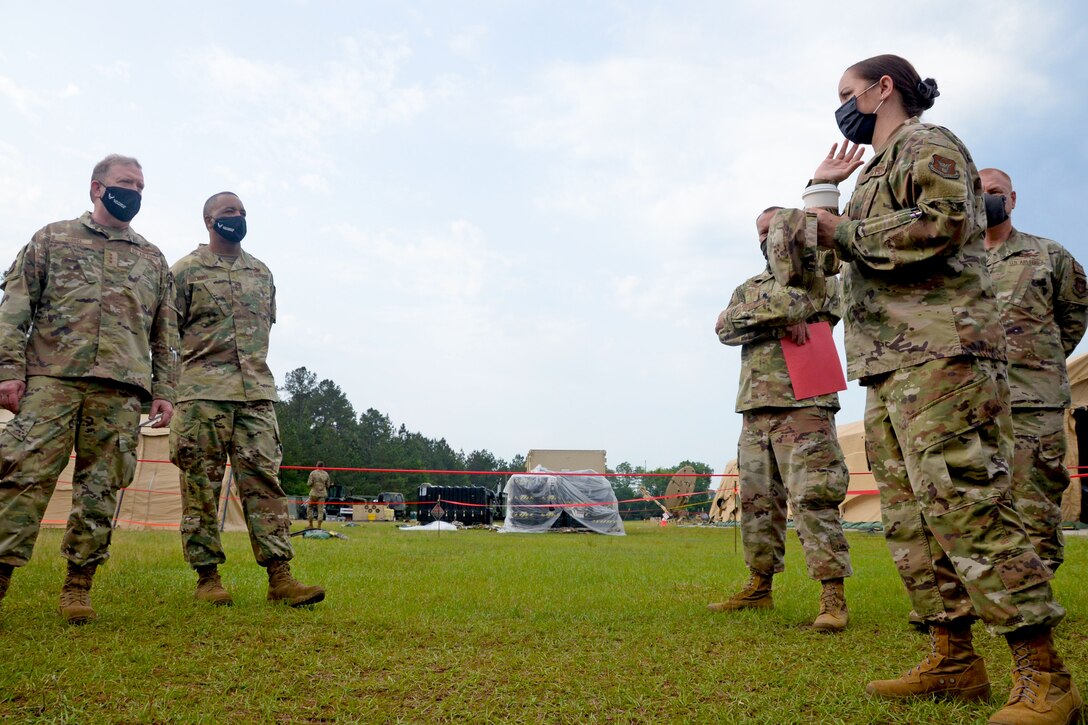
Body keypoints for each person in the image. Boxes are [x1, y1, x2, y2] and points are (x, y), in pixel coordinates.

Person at [801, 54, 1079, 723]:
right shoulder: (875, 170)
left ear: (882, 88)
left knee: (969, 507)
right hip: (890, 364)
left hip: (944, 356)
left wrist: (848, 230)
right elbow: (836, 259)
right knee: (912, 521)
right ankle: (953, 658)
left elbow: (945, 222)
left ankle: (1046, 678)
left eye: (847, 93)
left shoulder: (929, 144)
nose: (840, 106)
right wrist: (822, 193)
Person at [0, 154, 176, 624]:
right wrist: (7, 370)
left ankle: (79, 585)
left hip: (121, 391)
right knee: (22, 478)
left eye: (140, 185)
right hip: (52, 380)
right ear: (97, 188)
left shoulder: (153, 259)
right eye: (125, 182)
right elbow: (15, 308)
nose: (134, 192)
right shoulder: (51, 239)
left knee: (101, 489)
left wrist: (165, 390)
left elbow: (164, 334)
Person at [170, 192, 324, 608]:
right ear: (207, 220)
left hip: (255, 394)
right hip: (201, 395)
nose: (235, 219)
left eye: (241, 213)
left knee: (264, 485)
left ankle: (280, 578)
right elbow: (166, 338)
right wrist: (166, 394)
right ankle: (208, 578)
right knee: (201, 488)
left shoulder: (262, 273)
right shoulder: (184, 272)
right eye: (227, 213)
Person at [710, 207, 852, 632]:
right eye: (760, 232)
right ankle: (759, 586)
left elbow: (813, 302)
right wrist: (781, 317)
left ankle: (832, 595)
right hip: (755, 408)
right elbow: (723, 327)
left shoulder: (820, 277)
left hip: (806, 402)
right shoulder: (747, 286)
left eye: (772, 230)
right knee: (757, 503)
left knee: (813, 498)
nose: (766, 239)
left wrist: (772, 313)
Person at [981, 167, 1088, 574]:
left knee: (1035, 494)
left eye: (996, 191)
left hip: (1034, 398)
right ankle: (997, 582)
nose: (988, 198)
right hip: (974, 400)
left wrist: (1042, 359)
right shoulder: (958, 260)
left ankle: (1038, 584)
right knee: (984, 496)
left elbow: (1074, 315)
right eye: (979, 192)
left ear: (1013, 198)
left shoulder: (1049, 254)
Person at [307, 461, 331, 529]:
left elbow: (309, 483)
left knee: (310, 508)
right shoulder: (326, 474)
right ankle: (319, 526)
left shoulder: (313, 473)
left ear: (316, 466)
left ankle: (310, 524)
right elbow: (328, 485)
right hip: (322, 494)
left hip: (313, 494)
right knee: (320, 510)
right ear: (323, 466)